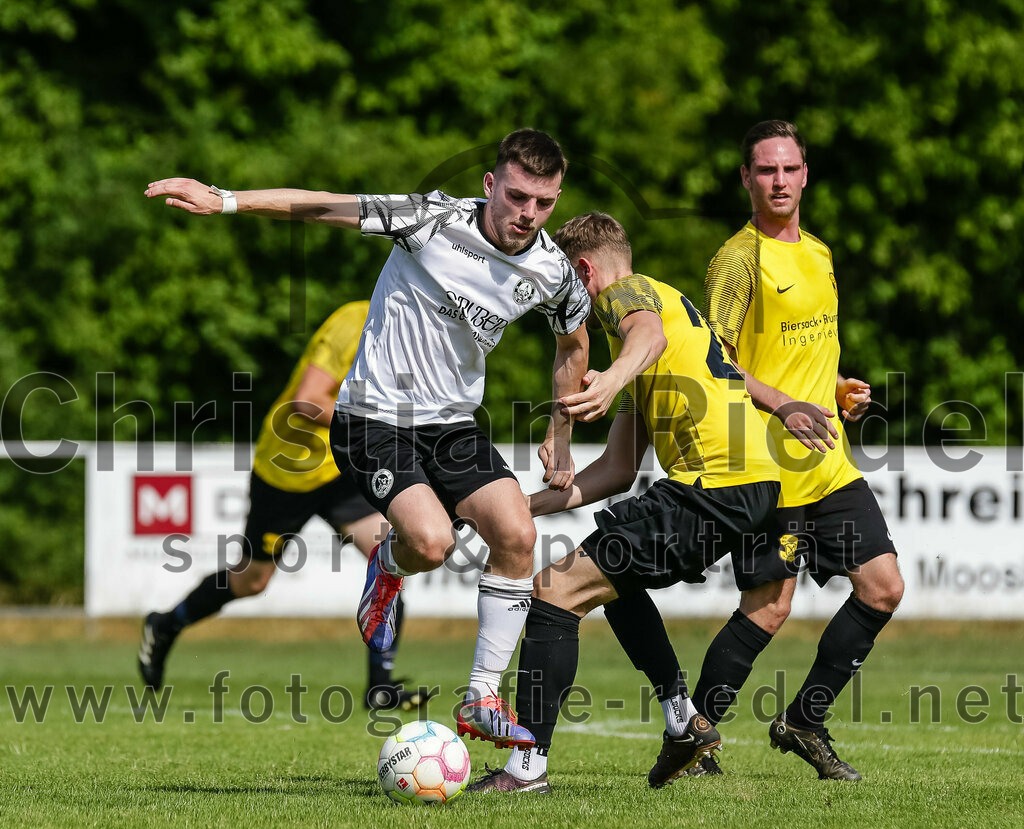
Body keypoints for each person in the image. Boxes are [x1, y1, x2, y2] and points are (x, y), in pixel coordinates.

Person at [145, 129, 591, 748]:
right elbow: (324, 206)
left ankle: (482, 696)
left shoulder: (552, 270)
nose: (528, 214)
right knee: (429, 544)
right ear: (490, 184)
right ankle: (387, 566)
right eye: (517, 196)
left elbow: (573, 343)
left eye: (543, 203)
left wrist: (560, 432)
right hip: (372, 419)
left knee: (517, 534)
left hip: (452, 425)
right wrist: (226, 200)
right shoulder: (430, 220)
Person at [615, 120, 905, 781]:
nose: (779, 180)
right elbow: (716, 362)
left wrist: (835, 387)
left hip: (827, 461)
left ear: (805, 175)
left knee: (883, 588)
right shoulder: (737, 259)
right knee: (769, 609)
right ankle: (694, 739)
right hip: (767, 466)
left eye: (789, 168)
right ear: (746, 178)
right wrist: (786, 406)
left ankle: (805, 719)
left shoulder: (820, 253)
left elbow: (801, 350)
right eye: (766, 170)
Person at [466, 213, 781, 794]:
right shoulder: (669, 319)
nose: (563, 299)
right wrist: (518, 508)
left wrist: (608, 379)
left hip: (713, 486)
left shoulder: (626, 296)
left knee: (553, 591)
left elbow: (647, 335)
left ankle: (526, 767)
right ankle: (682, 718)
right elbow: (617, 470)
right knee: (613, 582)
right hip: (752, 487)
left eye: (564, 281)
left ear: (585, 271)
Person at [138, 301, 430, 710]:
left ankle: (380, 688)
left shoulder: (421, 328)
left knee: (391, 559)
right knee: (252, 581)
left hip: (339, 468)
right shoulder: (356, 321)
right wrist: (376, 426)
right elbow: (306, 400)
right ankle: (166, 625)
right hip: (287, 469)